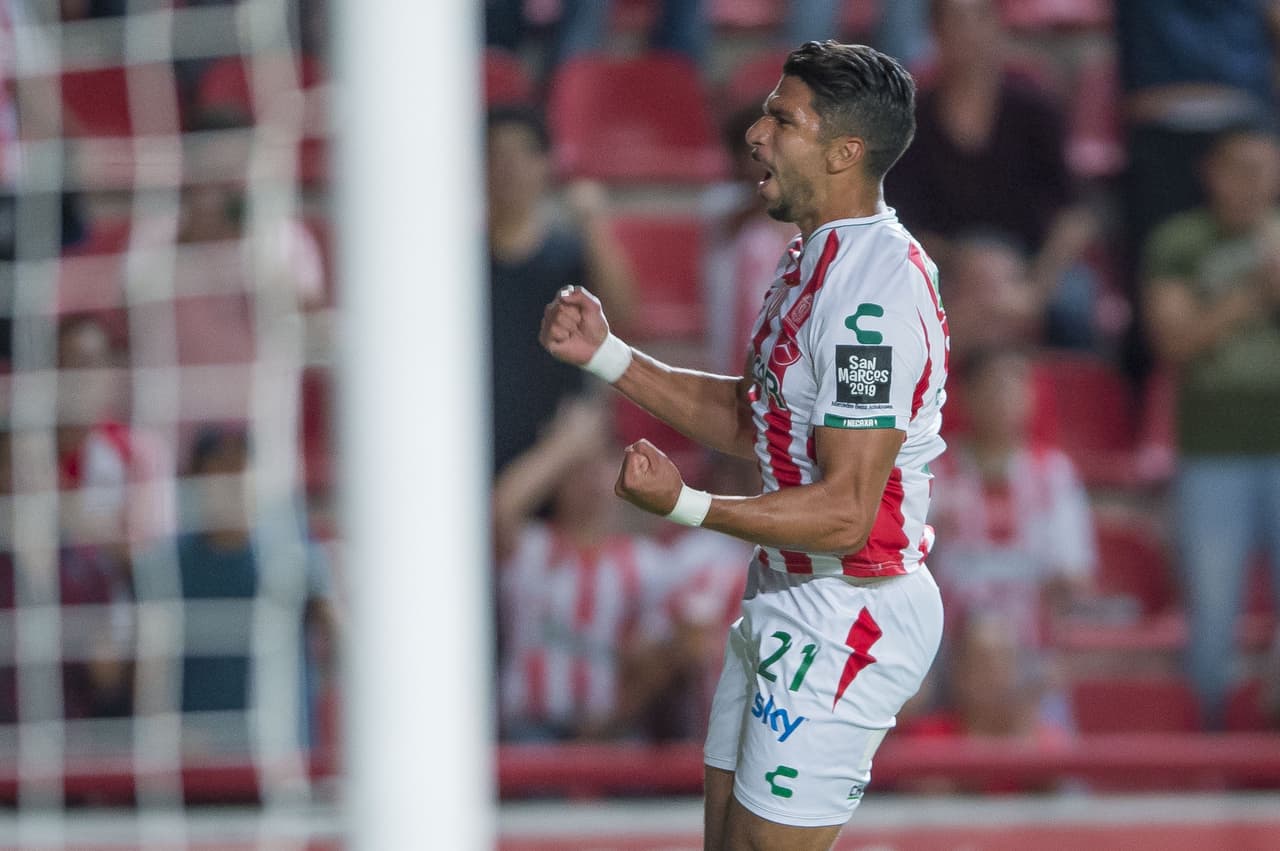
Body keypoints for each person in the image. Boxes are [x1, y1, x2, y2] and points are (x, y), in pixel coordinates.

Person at [541, 41, 947, 848]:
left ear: (844, 152)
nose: (756, 135)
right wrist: (610, 356)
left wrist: (687, 505)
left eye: (782, 120)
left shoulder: (872, 302)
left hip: (850, 606)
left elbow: (846, 515)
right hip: (787, 588)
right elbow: (752, 414)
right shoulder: (809, 264)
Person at [1142, 122, 1280, 728]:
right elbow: (1174, 340)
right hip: (1211, 451)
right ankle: (1207, 743)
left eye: (1264, 170)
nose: (1253, 184)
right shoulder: (1181, 242)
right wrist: (1253, 293)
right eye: (1240, 169)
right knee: (1212, 614)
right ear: (1212, 173)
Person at [889, 0, 1097, 348]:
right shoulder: (912, 122)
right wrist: (963, 262)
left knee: (1074, 305)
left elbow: (1075, 215)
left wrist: (1036, 288)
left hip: (1032, 261)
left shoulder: (1035, 109)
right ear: (936, 33)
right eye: (957, 21)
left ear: (997, 27)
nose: (969, 33)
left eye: (980, 18)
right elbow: (900, 224)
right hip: (946, 264)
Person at [493, 400, 675, 742]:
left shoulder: (647, 563)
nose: (590, 477)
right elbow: (500, 510)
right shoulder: (530, 548)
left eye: (602, 463)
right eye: (579, 467)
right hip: (529, 732)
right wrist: (564, 447)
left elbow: (659, 661)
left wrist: (612, 721)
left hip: (613, 735)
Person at [487, 105, 635, 474]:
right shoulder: (454, 267)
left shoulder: (571, 254)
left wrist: (594, 226)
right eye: (495, 155)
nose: (508, 168)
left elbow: (625, 314)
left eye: (521, 154)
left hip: (555, 448)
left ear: (545, 164)